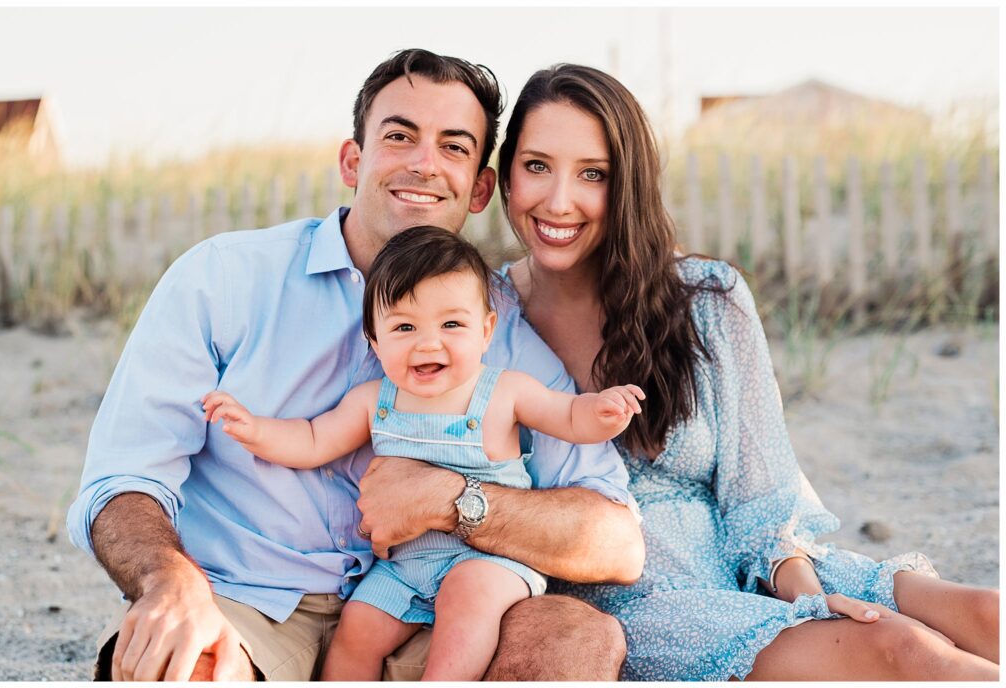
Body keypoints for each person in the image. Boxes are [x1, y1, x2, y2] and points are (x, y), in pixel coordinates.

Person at [66, 50, 644, 682]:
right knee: (180, 664)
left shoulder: (495, 328)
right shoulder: (224, 279)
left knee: (573, 634)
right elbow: (124, 477)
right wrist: (169, 581)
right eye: (399, 136)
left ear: (480, 187)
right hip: (246, 602)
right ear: (353, 160)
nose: (424, 163)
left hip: (431, 609)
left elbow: (616, 540)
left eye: (454, 147)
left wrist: (455, 501)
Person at [495, 63, 1000, 681]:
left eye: (592, 174)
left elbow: (760, 494)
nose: (558, 200)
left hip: (753, 557)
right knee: (900, 652)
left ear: (627, 185)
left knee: (988, 615)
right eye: (537, 166)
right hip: (637, 602)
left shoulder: (707, 297)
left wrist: (807, 600)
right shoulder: (479, 319)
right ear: (505, 173)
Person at [202, 226, 645, 680]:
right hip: (405, 567)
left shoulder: (504, 391)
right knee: (358, 627)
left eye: (452, 324)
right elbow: (313, 439)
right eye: (404, 327)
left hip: (488, 561)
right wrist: (253, 429)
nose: (428, 342)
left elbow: (568, 416)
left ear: (486, 330)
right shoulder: (375, 399)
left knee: (466, 599)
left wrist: (603, 411)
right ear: (375, 341)